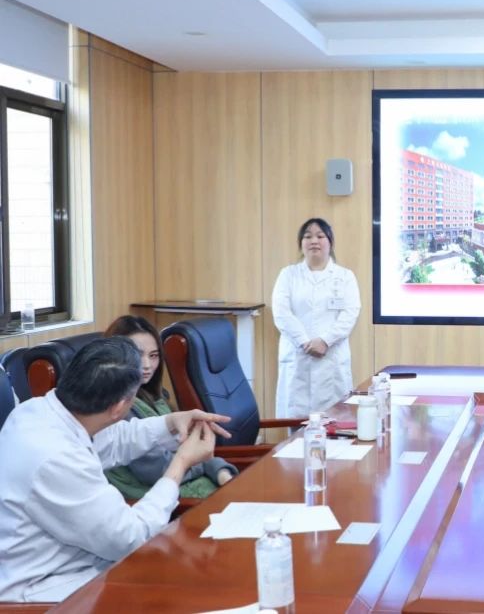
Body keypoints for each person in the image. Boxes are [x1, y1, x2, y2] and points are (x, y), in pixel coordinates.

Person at [0, 337, 231, 602]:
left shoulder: (38, 410)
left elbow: (114, 440)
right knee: (188, 583)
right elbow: (131, 537)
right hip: (42, 589)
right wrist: (180, 464)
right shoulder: (56, 459)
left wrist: (170, 422)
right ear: (120, 407)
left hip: (74, 562)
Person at [103, 315, 237, 499]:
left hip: (189, 486)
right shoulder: (118, 407)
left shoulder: (152, 395)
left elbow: (188, 448)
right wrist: (208, 465)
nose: (147, 365)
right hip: (165, 501)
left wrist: (219, 470)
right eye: (137, 355)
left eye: (153, 356)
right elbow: (157, 471)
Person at [272, 218, 361, 417]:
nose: (314, 241)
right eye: (308, 236)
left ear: (330, 242)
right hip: (298, 356)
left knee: (335, 419)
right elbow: (281, 313)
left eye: (320, 236)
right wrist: (305, 342)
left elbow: (350, 313)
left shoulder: (345, 276)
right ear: (301, 243)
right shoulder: (288, 275)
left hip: (331, 357)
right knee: (295, 421)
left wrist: (325, 341)